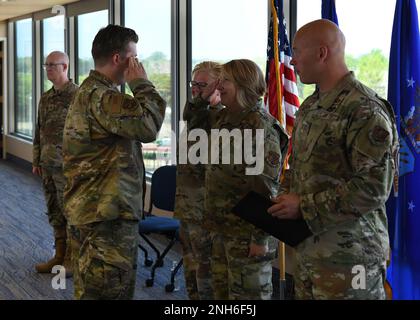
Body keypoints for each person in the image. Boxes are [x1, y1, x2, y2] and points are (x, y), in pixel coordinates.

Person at [268, 19, 399, 299]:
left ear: (321, 53)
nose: (292, 61)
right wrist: (283, 196)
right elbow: (301, 166)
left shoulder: (364, 110)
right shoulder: (311, 106)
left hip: (350, 257)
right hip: (310, 249)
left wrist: (303, 205)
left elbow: (374, 188)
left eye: (298, 51)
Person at [62, 24, 166, 300]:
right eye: (134, 57)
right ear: (119, 59)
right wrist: (141, 83)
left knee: (91, 289)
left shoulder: (88, 91)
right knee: (111, 291)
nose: (138, 64)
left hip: (91, 210)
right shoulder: (105, 97)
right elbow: (148, 126)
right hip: (107, 216)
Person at [204, 59, 289, 299]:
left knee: (249, 297)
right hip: (221, 227)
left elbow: (265, 189)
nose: (219, 85)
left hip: (246, 235)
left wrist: (259, 238)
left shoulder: (260, 127)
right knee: (221, 294)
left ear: (243, 85)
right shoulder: (224, 119)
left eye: (226, 80)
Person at [174, 61, 223, 300]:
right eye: (194, 83)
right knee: (191, 270)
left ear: (217, 86)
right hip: (187, 205)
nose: (195, 89)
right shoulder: (197, 114)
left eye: (202, 85)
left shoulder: (221, 118)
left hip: (206, 209)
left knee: (207, 275)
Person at [33, 51, 78, 277]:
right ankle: (59, 255)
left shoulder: (77, 96)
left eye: (53, 65)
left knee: (70, 212)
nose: (49, 68)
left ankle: (71, 259)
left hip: (68, 167)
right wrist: (36, 158)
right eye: (46, 65)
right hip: (47, 164)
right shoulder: (46, 97)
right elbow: (39, 130)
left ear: (65, 67)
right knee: (54, 212)